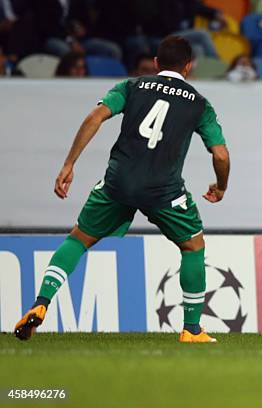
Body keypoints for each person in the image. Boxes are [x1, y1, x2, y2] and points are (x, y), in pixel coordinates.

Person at [14, 36, 230, 344]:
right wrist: (220, 186)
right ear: (189, 67)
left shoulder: (131, 86)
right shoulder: (199, 104)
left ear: (155, 63)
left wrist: (69, 164)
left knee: (78, 239)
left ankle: (41, 303)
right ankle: (192, 329)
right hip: (164, 190)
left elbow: (94, 117)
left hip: (118, 182)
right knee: (193, 247)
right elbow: (220, 154)